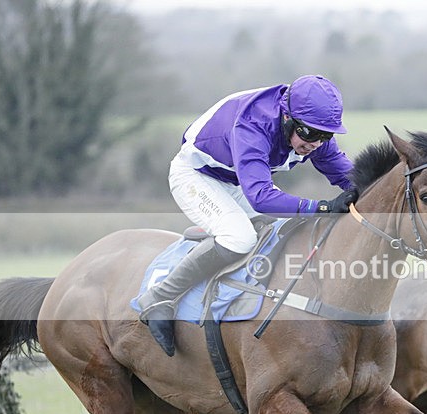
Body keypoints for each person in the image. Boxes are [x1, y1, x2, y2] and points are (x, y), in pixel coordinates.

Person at [137, 74, 357, 356]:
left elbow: (344, 174)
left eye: (325, 135)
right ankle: (160, 297)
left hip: (236, 180)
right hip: (196, 176)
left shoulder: (312, 129)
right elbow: (262, 197)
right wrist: (322, 208)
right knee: (239, 237)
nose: (316, 142)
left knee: (285, 230)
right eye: (309, 134)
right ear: (287, 118)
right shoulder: (254, 125)